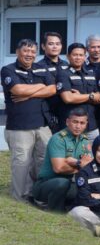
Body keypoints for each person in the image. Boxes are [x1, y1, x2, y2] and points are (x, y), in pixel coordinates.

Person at [2, 37, 56, 201]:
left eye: (33, 51)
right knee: (22, 163)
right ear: (18, 52)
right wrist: (41, 87)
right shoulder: (8, 69)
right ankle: (20, 197)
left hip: (42, 124)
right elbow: (17, 89)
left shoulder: (41, 68)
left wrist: (30, 92)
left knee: (43, 160)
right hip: (19, 126)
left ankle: (39, 193)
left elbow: (52, 89)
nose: (29, 54)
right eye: (26, 50)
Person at [31, 107, 92, 211]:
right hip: (47, 184)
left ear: (86, 124)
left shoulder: (85, 141)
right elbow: (58, 168)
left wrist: (77, 163)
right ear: (68, 122)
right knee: (62, 183)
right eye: (75, 122)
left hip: (70, 182)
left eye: (82, 123)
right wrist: (79, 164)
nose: (78, 126)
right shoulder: (58, 139)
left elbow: (90, 166)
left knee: (88, 186)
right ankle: (55, 212)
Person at [57, 42, 100, 139]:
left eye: (81, 55)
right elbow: (68, 98)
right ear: (68, 56)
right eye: (75, 55)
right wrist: (91, 96)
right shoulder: (63, 74)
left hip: (91, 126)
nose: (78, 57)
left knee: (92, 154)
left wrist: (79, 96)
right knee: (71, 154)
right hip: (72, 127)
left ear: (85, 57)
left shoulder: (91, 74)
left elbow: (99, 98)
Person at [36, 31, 68, 132]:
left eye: (57, 44)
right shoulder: (38, 67)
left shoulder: (67, 65)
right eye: (51, 44)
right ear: (43, 46)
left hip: (67, 112)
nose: (55, 47)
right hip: (49, 114)